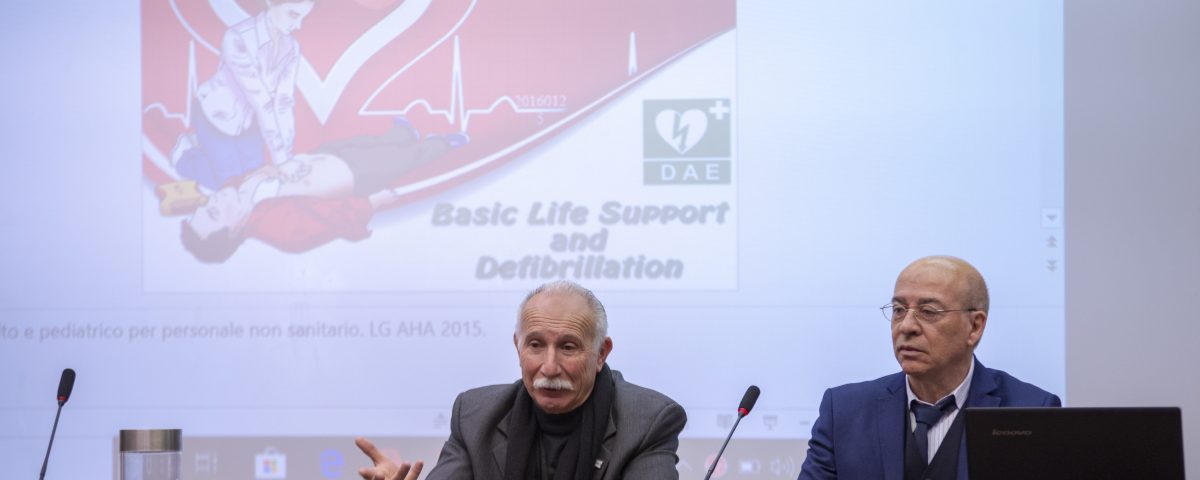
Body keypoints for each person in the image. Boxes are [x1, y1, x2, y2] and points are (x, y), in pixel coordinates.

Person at [356, 280, 687, 480]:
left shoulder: (647, 421)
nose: (549, 367)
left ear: (601, 353)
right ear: (518, 346)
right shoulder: (474, 416)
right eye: (536, 345)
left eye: (568, 347)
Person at [798, 256, 1061, 480]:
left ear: (975, 326)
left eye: (928, 311)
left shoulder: (1032, 410)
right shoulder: (844, 411)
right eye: (899, 310)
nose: (906, 326)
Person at [180, 119, 464, 262]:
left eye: (204, 206)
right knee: (402, 159)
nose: (211, 201)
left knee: (369, 142)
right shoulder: (281, 230)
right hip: (354, 175)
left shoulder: (234, 186)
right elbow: (333, 220)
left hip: (323, 155)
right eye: (214, 213)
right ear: (232, 232)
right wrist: (373, 202)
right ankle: (441, 144)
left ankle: (402, 135)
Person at [172, 0, 316, 190]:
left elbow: (284, 102)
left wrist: (286, 157)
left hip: (249, 120)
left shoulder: (291, 47)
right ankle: (185, 154)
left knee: (254, 180)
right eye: (293, 15)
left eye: (303, 18)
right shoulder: (237, 37)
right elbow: (261, 101)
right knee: (229, 185)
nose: (298, 26)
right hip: (215, 116)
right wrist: (281, 161)